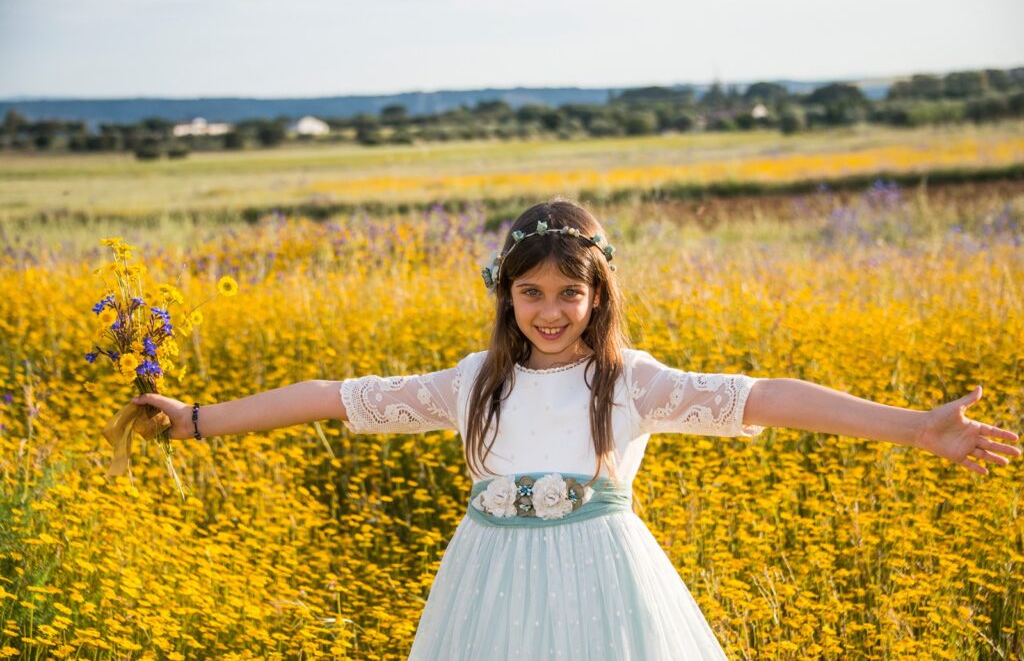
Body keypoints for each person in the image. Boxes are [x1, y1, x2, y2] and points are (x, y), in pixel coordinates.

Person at [131, 197, 1021, 659]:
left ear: (599, 296)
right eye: (531, 292)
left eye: (570, 292)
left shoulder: (629, 383)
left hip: (604, 587)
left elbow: (770, 395)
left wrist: (916, 427)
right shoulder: (471, 384)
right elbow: (332, 394)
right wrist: (201, 420)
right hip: (485, 584)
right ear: (506, 296)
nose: (550, 311)